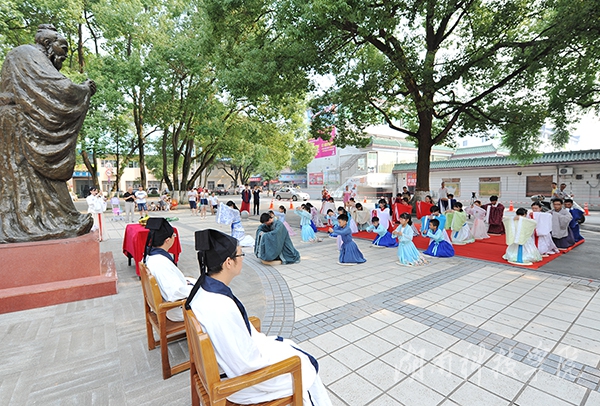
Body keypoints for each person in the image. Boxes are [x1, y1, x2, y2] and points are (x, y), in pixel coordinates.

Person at [186, 229, 331, 405]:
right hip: (238, 383)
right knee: (304, 367)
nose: (243, 258)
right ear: (228, 263)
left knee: (291, 349)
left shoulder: (203, 290)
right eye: (240, 254)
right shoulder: (221, 307)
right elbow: (247, 364)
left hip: (225, 367)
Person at [0, 24, 96, 243]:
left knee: (31, 176)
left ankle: (48, 220)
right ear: (47, 43)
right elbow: (60, 89)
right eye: (63, 48)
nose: (65, 55)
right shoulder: (29, 54)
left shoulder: (25, 55)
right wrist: (83, 89)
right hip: (19, 125)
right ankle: (38, 223)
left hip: (17, 121)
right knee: (27, 172)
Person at [144, 218, 194, 322]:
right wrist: (194, 288)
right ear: (168, 240)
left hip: (166, 302)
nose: (174, 238)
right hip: (175, 309)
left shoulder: (149, 255)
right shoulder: (161, 263)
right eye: (173, 236)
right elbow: (176, 293)